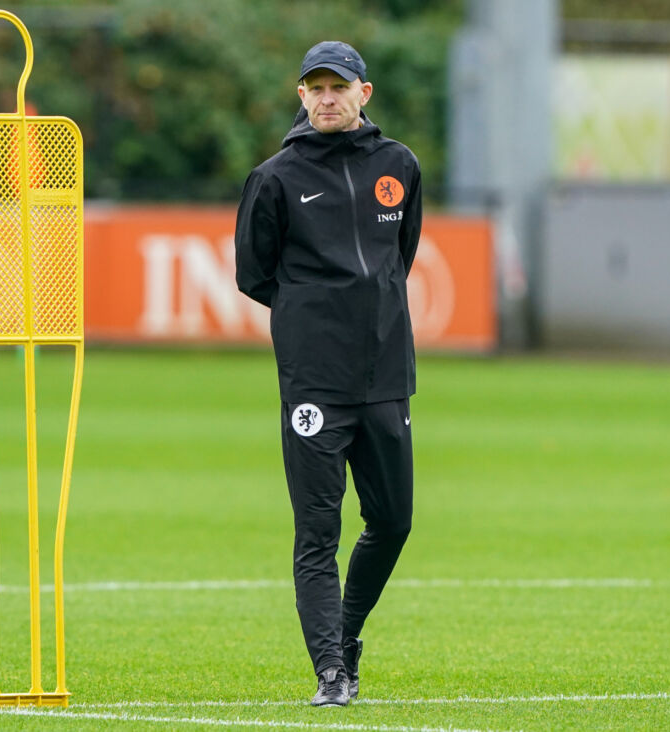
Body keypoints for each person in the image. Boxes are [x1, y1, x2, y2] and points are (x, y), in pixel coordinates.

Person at [234, 41, 422, 707]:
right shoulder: (275, 178)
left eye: (338, 87)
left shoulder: (399, 166)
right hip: (314, 383)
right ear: (301, 94)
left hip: (385, 377)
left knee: (394, 520)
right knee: (317, 531)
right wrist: (314, 321)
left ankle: (345, 636)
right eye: (315, 88)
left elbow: (399, 254)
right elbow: (254, 275)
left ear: (363, 94)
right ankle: (331, 674)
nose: (326, 97)